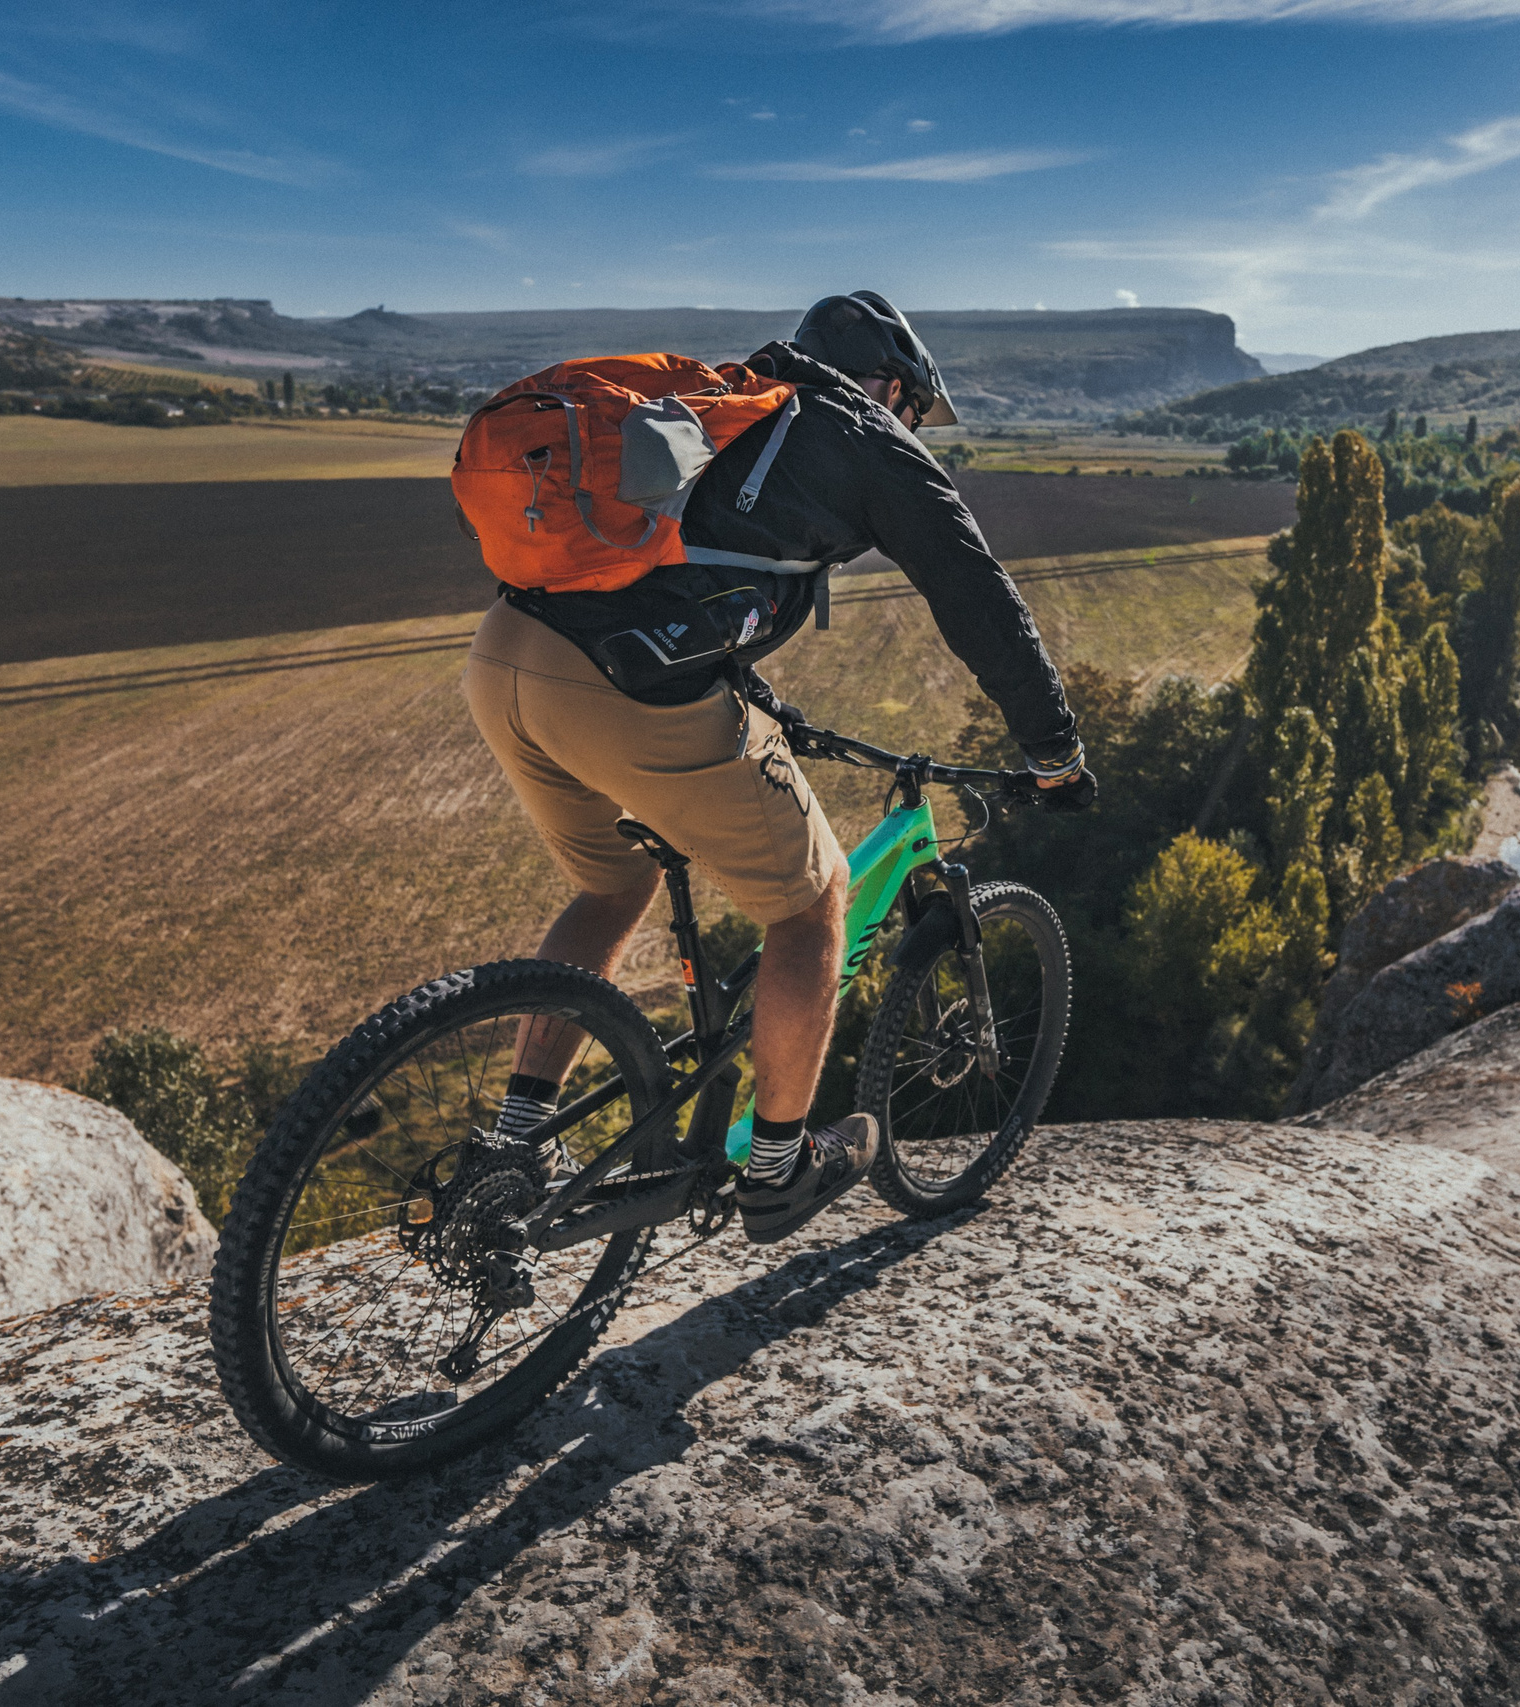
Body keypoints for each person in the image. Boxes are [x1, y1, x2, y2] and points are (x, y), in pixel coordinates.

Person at [460, 291, 1090, 1244]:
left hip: (505, 656)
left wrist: (761, 705)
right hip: (617, 686)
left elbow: (680, 575)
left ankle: (514, 1142)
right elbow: (979, 599)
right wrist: (1055, 747)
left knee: (612, 881)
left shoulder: (733, 405)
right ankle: (779, 1168)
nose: (910, 425)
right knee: (812, 901)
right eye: (912, 406)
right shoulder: (866, 436)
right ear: (890, 384)